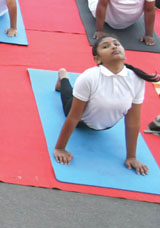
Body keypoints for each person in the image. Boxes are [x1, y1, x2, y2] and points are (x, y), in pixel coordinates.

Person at [53, 36, 159, 175]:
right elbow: (74, 117)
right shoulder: (89, 77)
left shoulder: (136, 79)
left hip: (106, 125)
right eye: (106, 46)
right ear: (98, 59)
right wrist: (60, 148)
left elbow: (133, 121)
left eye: (117, 44)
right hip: (81, 121)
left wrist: (132, 157)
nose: (114, 47)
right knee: (68, 95)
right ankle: (63, 77)